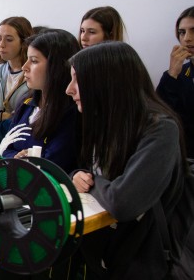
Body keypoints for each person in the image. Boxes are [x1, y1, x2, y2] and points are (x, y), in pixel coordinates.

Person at [67, 42, 188, 279]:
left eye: (76, 80)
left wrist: (93, 183)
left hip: (139, 263)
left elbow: (123, 203)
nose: (69, 89)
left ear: (106, 82)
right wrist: (78, 175)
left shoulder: (161, 129)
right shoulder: (108, 122)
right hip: (105, 257)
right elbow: (103, 179)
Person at [0, 29, 81, 174]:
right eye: (27, 59)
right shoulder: (26, 103)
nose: (25, 67)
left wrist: (23, 161)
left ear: (56, 67)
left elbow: (55, 164)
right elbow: (6, 148)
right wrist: (18, 158)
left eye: (34, 61)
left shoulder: (70, 112)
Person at [157, 6, 194, 158]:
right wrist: (172, 74)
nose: (187, 38)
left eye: (193, 30)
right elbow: (159, 115)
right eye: (182, 32)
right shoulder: (178, 74)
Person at [0, 16, 33, 149]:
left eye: (9, 39)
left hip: (18, 145)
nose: (1, 45)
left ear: (23, 42)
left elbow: (25, 121)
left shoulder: (33, 75)